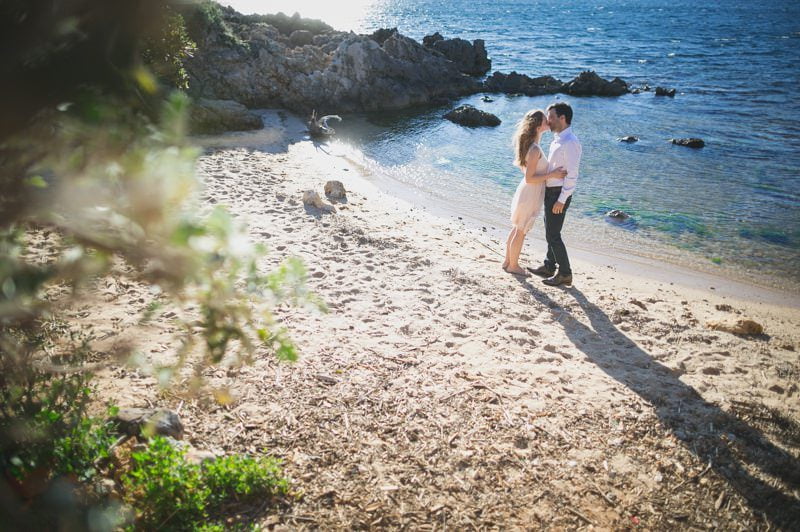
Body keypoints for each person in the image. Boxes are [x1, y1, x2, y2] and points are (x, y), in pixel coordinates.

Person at [503, 109, 567, 276]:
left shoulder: (532, 145)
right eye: (546, 120)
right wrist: (552, 175)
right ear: (539, 126)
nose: (549, 123)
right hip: (530, 192)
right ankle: (513, 266)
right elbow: (530, 178)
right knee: (521, 230)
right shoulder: (534, 149)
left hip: (529, 192)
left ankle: (508, 262)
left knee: (518, 227)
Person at [528, 102, 582, 286]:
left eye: (551, 117)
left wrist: (561, 200)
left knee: (553, 235)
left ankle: (565, 273)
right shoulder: (557, 139)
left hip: (559, 194)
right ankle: (549, 266)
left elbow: (573, 176)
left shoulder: (571, 142)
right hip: (550, 192)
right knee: (550, 232)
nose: (548, 121)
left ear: (562, 118)